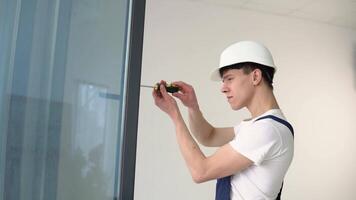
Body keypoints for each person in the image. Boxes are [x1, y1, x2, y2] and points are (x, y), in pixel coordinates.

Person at [152, 41, 294, 200]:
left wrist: (174, 115)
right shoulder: (258, 126)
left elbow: (200, 171)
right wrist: (192, 106)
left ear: (255, 76)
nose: (223, 88)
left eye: (229, 79)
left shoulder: (267, 130)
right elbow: (208, 136)